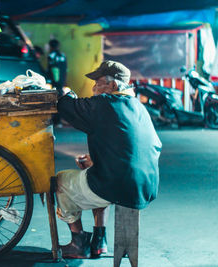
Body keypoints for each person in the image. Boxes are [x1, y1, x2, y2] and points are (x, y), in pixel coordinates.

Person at [56, 60, 162, 259]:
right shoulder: (138, 106)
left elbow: (67, 106)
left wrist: (66, 92)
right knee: (95, 170)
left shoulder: (104, 104)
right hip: (146, 187)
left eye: (98, 83)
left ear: (113, 86)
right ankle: (99, 239)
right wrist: (98, 160)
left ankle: (78, 242)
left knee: (61, 180)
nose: (94, 87)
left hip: (118, 185)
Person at [47, 39, 67, 128]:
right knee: (60, 100)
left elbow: (52, 70)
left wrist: (53, 81)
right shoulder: (63, 55)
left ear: (51, 47)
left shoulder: (51, 56)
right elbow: (65, 69)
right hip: (62, 82)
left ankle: (56, 121)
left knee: (54, 101)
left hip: (55, 83)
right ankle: (59, 121)